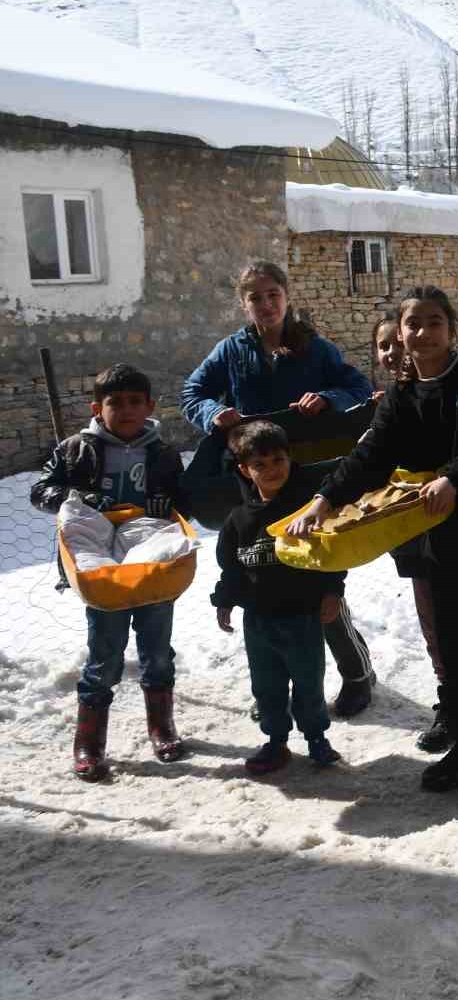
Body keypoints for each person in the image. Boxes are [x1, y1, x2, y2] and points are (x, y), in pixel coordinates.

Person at [288, 286, 458, 796]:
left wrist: (453, 478)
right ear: (399, 332)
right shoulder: (400, 395)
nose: (422, 332)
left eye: (434, 322)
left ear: (451, 330)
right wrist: (324, 501)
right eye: (413, 323)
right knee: (455, 642)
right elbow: (371, 454)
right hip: (433, 536)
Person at [181, 259, 377, 717]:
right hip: (255, 480)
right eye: (256, 297)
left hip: (307, 479)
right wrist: (214, 413)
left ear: (286, 297)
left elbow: (358, 386)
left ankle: (356, 674)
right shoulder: (230, 351)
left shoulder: (314, 347)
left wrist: (327, 398)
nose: (266, 305)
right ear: (243, 303)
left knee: (318, 577)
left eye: (273, 295)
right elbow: (192, 393)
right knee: (265, 584)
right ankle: (276, 687)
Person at [30, 363, 186, 780]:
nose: (126, 410)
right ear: (97, 408)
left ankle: (162, 727)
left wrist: (164, 502)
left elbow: (181, 499)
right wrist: (74, 496)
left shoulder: (164, 453)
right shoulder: (76, 449)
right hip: (101, 568)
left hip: (152, 567)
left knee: (157, 650)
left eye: (135, 402)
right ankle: (89, 742)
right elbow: (40, 491)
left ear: (150, 406)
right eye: (115, 403)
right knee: (104, 654)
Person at [211, 421, 343, 774]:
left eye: (278, 460)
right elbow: (232, 568)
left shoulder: (307, 510)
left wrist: (333, 591)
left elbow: (331, 554)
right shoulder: (239, 520)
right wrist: (224, 600)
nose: (272, 470)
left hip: (302, 618)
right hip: (258, 622)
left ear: (290, 458)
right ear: (245, 470)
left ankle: (317, 739)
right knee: (266, 686)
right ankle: (275, 742)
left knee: (308, 683)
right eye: (260, 465)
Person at [372, 310, 449, 751]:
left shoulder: (432, 396)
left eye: (397, 344)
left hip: (447, 526)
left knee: (455, 623)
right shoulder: (387, 404)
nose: (393, 353)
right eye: (384, 346)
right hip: (410, 536)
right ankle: (448, 700)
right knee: (431, 622)